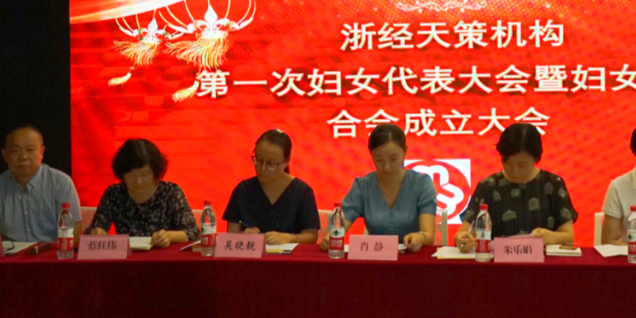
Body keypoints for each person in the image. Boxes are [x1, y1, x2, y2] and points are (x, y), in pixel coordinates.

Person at [454, 123, 578, 252]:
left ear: (536, 158)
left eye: (522, 165)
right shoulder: (488, 186)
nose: (514, 171)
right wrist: (461, 239)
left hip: (542, 261)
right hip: (497, 261)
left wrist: (551, 237)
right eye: (507, 163)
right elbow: (465, 232)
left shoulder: (553, 184)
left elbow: (568, 237)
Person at [320, 124, 437, 253]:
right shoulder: (363, 186)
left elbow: (428, 235)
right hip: (374, 257)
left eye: (393, 159)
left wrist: (420, 237)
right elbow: (342, 222)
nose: (386, 166)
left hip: (412, 256)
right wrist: (330, 238)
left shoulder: (421, 184)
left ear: (405, 151)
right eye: (379, 159)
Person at [0, 124, 81, 242]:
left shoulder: (61, 183)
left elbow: (74, 236)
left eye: (30, 150)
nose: (23, 157)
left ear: (41, 152)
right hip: (10, 253)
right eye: (15, 151)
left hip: (51, 253)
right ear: (5, 155)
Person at [86, 138, 200, 248]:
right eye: (131, 175)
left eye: (144, 174)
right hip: (127, 258)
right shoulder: (114, 194)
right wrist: (97, 233)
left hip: (163, 257)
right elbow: (92, 231)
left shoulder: (171, 193)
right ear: (122, 175)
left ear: (155, 172)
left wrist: (169, 236)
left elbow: (193, 233)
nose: (138, 181)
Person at [223, 129, 320, 245]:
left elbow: (311, 236)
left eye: (271, 164)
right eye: (259, 160)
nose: (262, 168)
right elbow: (231, 235)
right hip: (252, 255)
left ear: (286, 161)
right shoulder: (243, 190)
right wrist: (243, 235)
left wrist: (289, 238)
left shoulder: (302, 192)